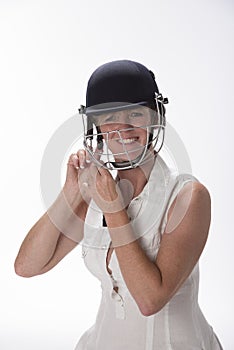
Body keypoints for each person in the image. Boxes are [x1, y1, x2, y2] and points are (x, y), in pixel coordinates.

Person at [15, 60, 223, 349]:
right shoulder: (98, 193)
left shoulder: (188, 196)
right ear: (95, 127)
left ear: (156, 118)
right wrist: (72, 192)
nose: (123, 127)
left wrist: (114, 210)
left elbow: (150, 300)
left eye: (135, 113)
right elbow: (27, 266)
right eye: (109, 116)